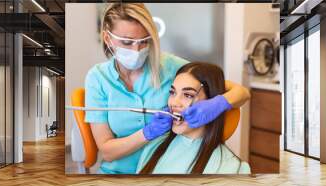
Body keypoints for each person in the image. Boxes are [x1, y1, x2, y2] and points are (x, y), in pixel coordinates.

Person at [85, 3, 250, 174]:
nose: (137, 50)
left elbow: (239, 92)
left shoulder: (170, 66)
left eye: (144, 41)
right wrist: (147, 133)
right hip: (118, 173)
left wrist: (219, 103)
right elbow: (107, 152)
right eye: (127, 42)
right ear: (107, 38)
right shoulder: (98, 78)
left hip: (163, 164)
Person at [137, 62, 250, 174]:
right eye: (172, 92)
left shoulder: (232, 168)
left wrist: (220, 100)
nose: (174, 103)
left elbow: (243, 93)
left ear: (210, 102)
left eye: (188, 95)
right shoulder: (154, 147)